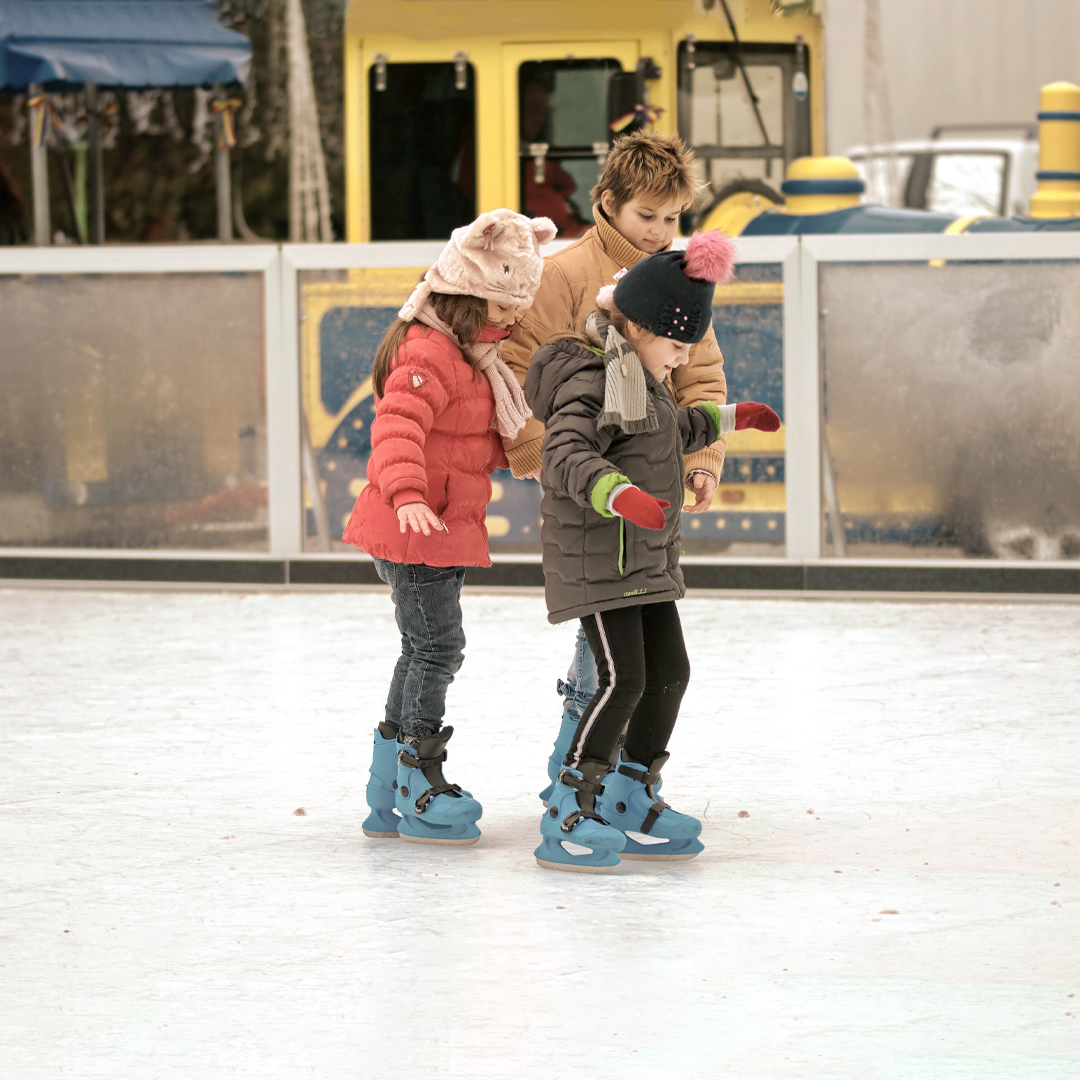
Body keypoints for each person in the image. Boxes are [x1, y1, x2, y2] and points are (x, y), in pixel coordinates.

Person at [523, 232, 779, 872]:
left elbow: (669, 433)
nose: (682, 357)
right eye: (675, 344)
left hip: (647, 560)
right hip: (600, 561)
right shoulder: (589, 377)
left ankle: (631, 794)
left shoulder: (645, 377)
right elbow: (565, 456)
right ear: (636, 327)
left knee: (671, 673)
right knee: (619, 679)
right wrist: (618, 494)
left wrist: (729, 416)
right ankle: (571, 804)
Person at [501, 128, 730, 804]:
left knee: (638, 661)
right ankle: (578, 778)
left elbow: (700, 375)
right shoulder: (567, 274)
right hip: (590, 500)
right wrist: (546, 459)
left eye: (673, 218)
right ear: (608, 202)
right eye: (647, 216)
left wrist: (703, 458)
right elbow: (518, 371)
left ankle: (616, 777)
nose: (661, 232)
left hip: (647, 506)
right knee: (606, 661)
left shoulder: (680, 278)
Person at [343, 208, 556, 846]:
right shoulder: (427, 353)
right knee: (438, 648)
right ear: (462, 301)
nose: (509, 326)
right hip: (416, 526)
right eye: (499, 314)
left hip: (438, 525)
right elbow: (397, 427)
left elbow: (466, 443)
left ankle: (390, 779)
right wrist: (407, 492)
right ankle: (417, 774)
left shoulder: (472, 360)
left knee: (422, 648)